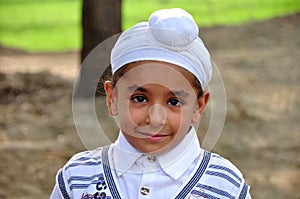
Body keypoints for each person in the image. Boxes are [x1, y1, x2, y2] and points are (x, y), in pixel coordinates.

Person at [50, 8, 251, 199]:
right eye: (140, 99)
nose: (155, 119)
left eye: (174, 102)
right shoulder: (77, 178)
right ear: (112, 98)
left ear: (198, 107)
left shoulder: (226, 186)